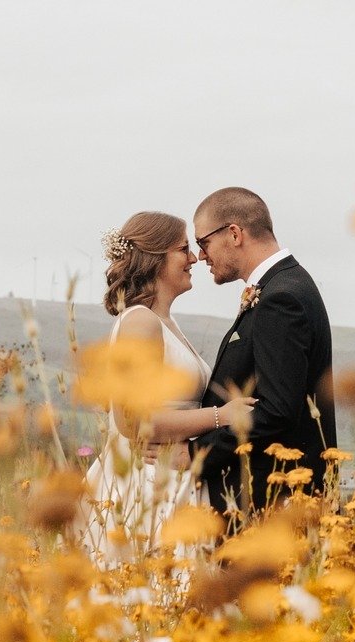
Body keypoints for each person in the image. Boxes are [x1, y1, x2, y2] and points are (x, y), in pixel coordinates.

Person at [82, 210, 254, 557]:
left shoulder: (164, 322)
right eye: (183, 249)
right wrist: (221, 416)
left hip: (171, 475)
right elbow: (132, 421)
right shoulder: (140, 323)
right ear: (155, 258)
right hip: (144, 481)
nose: (194, 258)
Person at [187, 187, 336, 513]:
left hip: (273, 504)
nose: (200, 257)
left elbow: (276, 411)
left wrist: (196, 456)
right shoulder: (284, 285)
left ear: (234, 234)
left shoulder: (280, 297)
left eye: (203, 243)